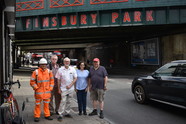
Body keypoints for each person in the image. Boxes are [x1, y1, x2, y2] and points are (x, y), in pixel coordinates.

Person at [30, 58, 54, 122]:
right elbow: (32, 82)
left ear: (46, 65)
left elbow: (52, 81)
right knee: (37, 105)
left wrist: (50, 88)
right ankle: (37, 116)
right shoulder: (36, 72)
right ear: (40, 65)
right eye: (42, 64)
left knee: (46, 104)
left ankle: (47, 115)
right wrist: (36, 88)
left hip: (47, 92)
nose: (44, 65)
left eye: (45, 64)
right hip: (39, 92)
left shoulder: (49, 72)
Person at [55, 57, 77, 122]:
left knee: (69, 101)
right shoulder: (60, 70)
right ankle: (60, 114)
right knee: (63, 101)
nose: (67, 62)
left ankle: (67, 112)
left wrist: (70, 85)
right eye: (65, 61)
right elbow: (58, 80)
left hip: (71, 89)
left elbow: (75, 78)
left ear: (69, 62)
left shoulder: (72, 69)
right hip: (63, 89)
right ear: (63, 62)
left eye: (68, 61)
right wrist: (59, 89)